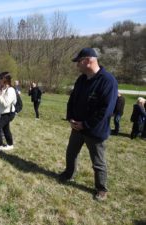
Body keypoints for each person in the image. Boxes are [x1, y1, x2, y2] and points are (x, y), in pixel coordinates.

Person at [59, 48, 118, 201]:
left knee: (98, 162)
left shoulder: (108, 81)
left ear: (88, 61)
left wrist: (85, 124)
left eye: (79, 62)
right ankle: (69, 174)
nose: (77, 65)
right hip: (76, 127)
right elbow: (72, 100)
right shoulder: (81, 79)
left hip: (95, 131)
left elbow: (105, 110)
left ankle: (101, 188)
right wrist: (70, 118)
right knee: (71, 153)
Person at [0, 72, 17, 153]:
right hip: (4, 113)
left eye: (1, 79)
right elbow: (0, 101)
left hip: (9, 113)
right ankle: (10, 145)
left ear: (5, 80)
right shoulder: (4, 89)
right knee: (6, 129)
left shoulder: (11, 90)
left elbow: (6, 103)